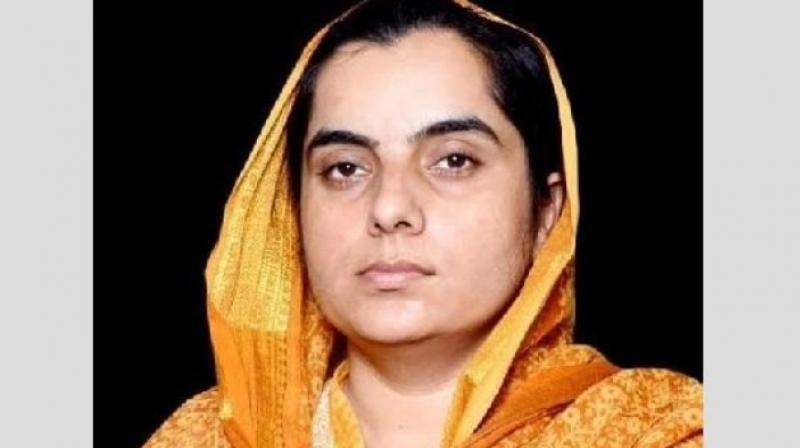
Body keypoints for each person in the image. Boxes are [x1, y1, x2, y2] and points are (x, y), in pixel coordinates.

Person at [144, 0, 703, 446]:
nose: (389, 209)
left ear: (545, 213)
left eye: (453, 161)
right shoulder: (204, 437)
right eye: (345, 168)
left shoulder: (652, 431)